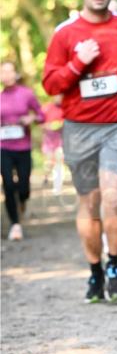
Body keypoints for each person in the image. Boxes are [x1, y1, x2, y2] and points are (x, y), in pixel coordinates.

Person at [42, 0, 117, 302]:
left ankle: (114, 264)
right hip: (80, 128)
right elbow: (50, 84)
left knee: (114, 196)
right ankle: (94, 271)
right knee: (89, 202)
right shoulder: (65, 33)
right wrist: (77, 63)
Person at [1, 60, 45, 240]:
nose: (7, 75)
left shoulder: (26, 94)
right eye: (3, 72)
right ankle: (15, 224)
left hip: (23, 147)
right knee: (8, 185)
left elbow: (41, 115)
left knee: (23, 186)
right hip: (3, 147)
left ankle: (23, 201)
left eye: (9, 71)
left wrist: (30, 118)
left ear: (15, 74)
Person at [41, 94, 65, 193]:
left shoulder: (66, 108)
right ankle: (46, 176)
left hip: (60, 140)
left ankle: (57, 185)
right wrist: (47, 126)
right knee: (49, 161)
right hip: (48, 140)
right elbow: (40, 122)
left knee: (59, 161)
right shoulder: (46, 108)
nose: (58, 98)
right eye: (57, 96)